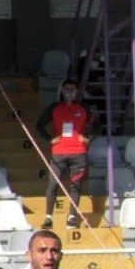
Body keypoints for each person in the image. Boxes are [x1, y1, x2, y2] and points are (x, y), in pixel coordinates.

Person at [36, 79, 92, 229]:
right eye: (66, 89)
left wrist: (88, 138)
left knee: (75, 185)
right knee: (53, 184)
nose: (69, 92)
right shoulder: (55, 107)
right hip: (59, 152)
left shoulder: (83, 108)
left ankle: (72, 218)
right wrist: (49, 138)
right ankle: (48, 217)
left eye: (72, 89)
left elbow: (97, 125)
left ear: (76, 91)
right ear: (62, 91)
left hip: (78, 152)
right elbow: (39, 125)